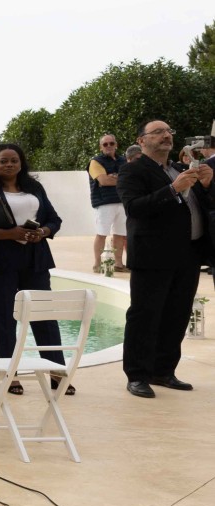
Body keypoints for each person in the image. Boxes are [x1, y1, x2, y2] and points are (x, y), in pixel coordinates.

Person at [0, 142, 69, 395]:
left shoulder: (34, 187)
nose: (9, 164)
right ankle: (10, 375)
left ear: (21, 163)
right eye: (3, 161)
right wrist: (10, 233)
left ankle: (57, 373)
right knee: (4, 319)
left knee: (44, 316)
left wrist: (43, 231)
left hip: (36, 258)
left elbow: (54, 219)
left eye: (14, 160)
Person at [118, 119, 214, 397]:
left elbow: (203, 205)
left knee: (177, 315)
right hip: (153, 255)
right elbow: (134, 208)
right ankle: (137, 375)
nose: (166, 135)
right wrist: (172, 189)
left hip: (189, 254)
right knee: (145, 316)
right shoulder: (132, 170)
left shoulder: (181, 169)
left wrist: (207, 185)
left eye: (169, 131)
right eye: (158, 132)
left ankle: (163, 371)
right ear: (142, 140)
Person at [87, 133, 128, 273]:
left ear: (116, 145)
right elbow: (103, 181)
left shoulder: (123, 160)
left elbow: (130, 178)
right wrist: (121, 179)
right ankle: (97, 264)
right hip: (104, 203)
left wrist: (114, 177)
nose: (108, 146)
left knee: (120, 234)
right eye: (105, 144)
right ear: (101, 147)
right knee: (102, 233)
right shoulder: (95, 162)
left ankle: (118, 264)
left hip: (122, 201)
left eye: (111, 143)